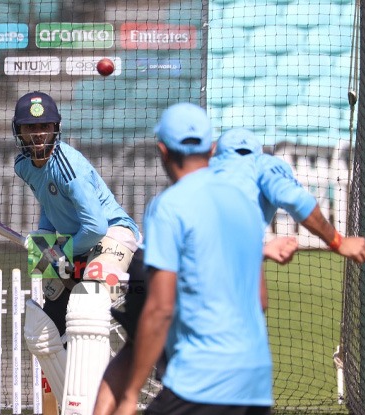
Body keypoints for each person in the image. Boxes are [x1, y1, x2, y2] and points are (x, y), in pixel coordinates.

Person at [113, 102, 271, 415]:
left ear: (162, 151)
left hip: (200, 380)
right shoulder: (244, 201)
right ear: (212, 149)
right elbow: (261, 299)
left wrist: (130, 395)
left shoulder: (169, 206)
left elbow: (160, 308)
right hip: (255, 379)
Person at [12, 91, 140, 415]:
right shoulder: (23, 166)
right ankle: (72, 406)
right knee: (43, 331)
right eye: (31, 127)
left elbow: (96, 226)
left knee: (88, 302)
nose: (38, 133)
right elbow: (48, 203)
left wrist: (62, 254)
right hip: (71, 240)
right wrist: (42, 239)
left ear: (56, 128)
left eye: (45, 125)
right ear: (20, 132)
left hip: (113, 233)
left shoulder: (67, 166)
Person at [211, 127, 365, 264]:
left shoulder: (200, 170)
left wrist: (263, 252)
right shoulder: (262, 163)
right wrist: (338, 242)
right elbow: (296, 200)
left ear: (215, 151)